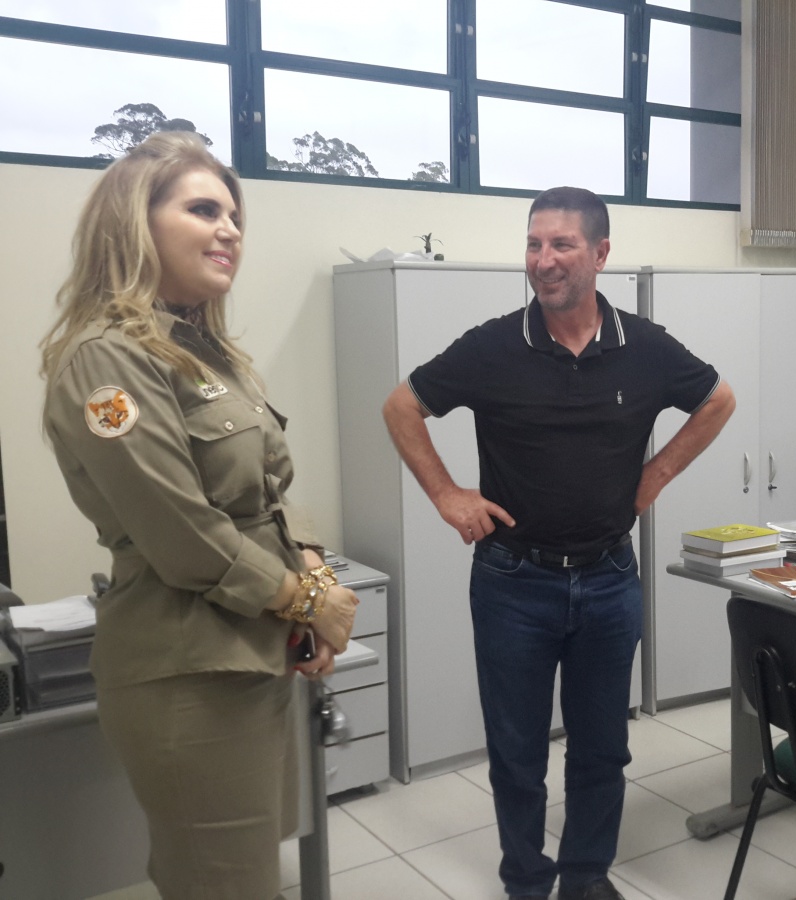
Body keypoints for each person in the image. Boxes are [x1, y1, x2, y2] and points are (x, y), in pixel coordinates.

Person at [383, 186, 735, 900]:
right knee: (517, 754)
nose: (543, 261)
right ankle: (525, 881)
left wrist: (657, 474)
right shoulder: (493, 346)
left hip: (609, 579)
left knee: (602, 748)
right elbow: (402, 407)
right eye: (533, 244)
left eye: (561, 245)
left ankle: (584, 877)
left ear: (600, 254)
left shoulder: (644, 346)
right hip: (514, 581)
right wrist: (448, 495)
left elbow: (717, 399)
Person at [40, 132, 358, 900]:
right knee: (222, 883)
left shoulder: (203, 352)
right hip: (190, 672)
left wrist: (315, 584)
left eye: (235, 216)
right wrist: (307, 602)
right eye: (204, 210)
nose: (230, 230)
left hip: (253, 650)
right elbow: (182, 532)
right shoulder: (105, 358)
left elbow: (272, 492)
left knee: (246, 874)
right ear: (134, 223)